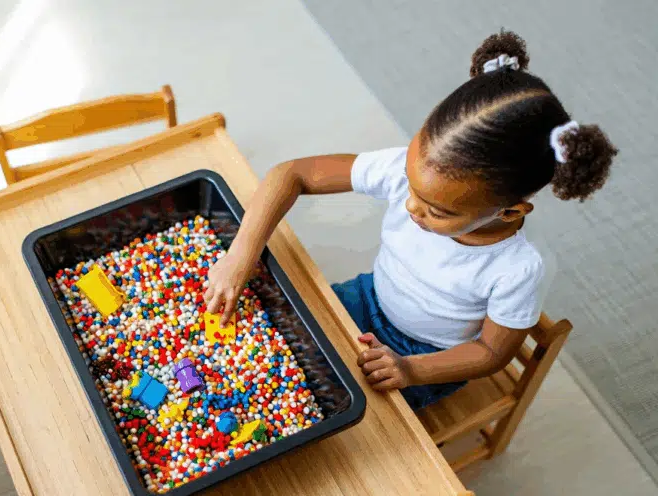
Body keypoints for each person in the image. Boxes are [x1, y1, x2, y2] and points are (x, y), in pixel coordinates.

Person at [203, 31, 618, 411]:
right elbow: (290, 174)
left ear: (508, 212)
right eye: (412, 188)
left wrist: (411, 369)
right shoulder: (412, 172)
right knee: (271, 342)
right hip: (369, 298)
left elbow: (492, 353)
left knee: (343, 419)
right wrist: (240, 256)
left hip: (427, 355)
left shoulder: (519, 269)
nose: (410, 208)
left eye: (437, 211)